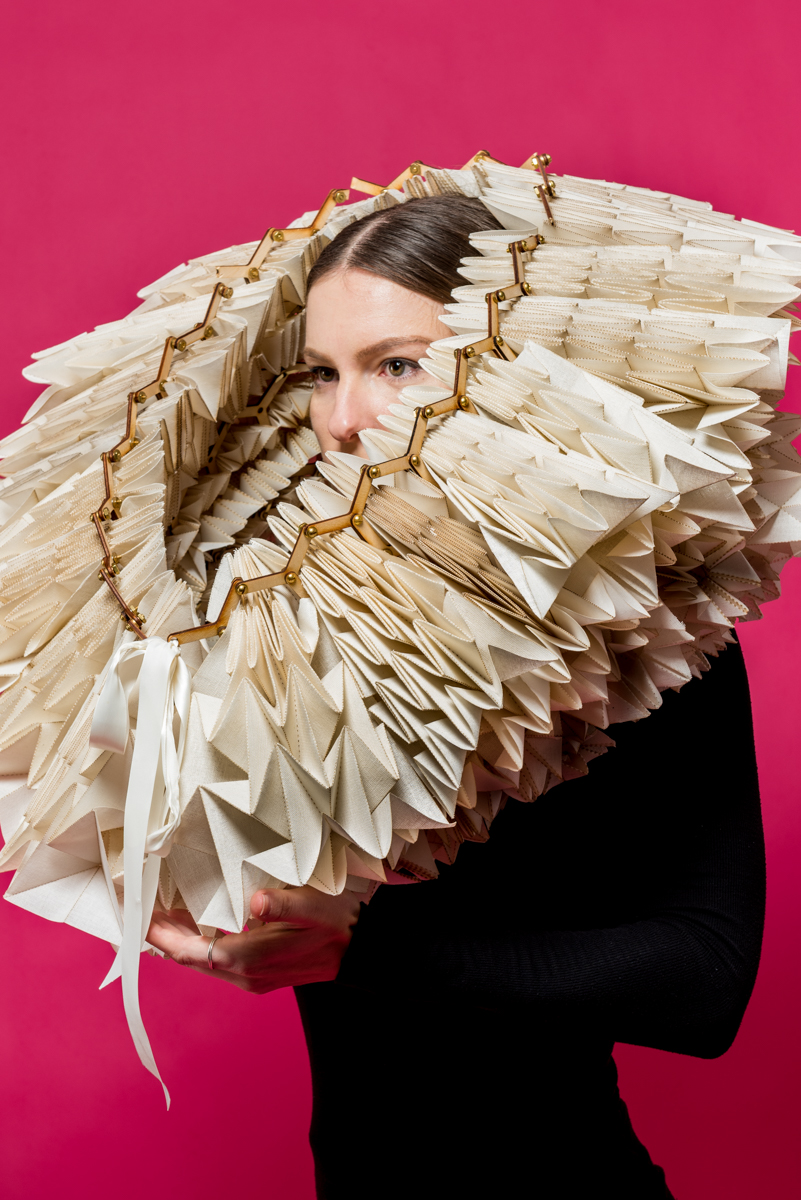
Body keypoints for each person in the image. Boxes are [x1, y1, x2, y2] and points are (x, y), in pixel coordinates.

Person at [147, 196, 766, 1199]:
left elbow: (706, 980)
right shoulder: (279, 626)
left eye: (396, 364)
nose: (342, 419)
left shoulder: (648, 623)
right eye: (324, 373)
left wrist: (361, 946)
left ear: (502, 372)